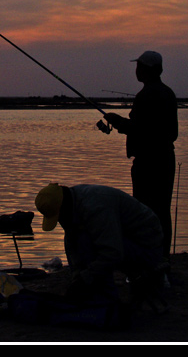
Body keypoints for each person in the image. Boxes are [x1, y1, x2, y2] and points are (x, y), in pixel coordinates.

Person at [34, 182, 167, 303]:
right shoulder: (74, 200)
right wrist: (76, 276)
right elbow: (71, 241)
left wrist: (85, 278)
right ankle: (98, 295)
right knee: (83, 241)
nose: (60, 222)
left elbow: (113, 253)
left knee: (88, 244)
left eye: (59, 217)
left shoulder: (95, 207)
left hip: (147, 248)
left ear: (64, 208)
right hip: (126, 240)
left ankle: (107, 300)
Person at [103, 50, 178, 260]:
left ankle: (149, 260)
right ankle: (161, 259)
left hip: (148, 163)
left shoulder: (146, 95)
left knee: (145, 212)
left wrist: (117, 121)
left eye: (139, 66)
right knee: (162, 212)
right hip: (165, 159)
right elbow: (169, 132)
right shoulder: (167, 93)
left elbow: (140, 129)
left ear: (148, 70)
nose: (136, 70)